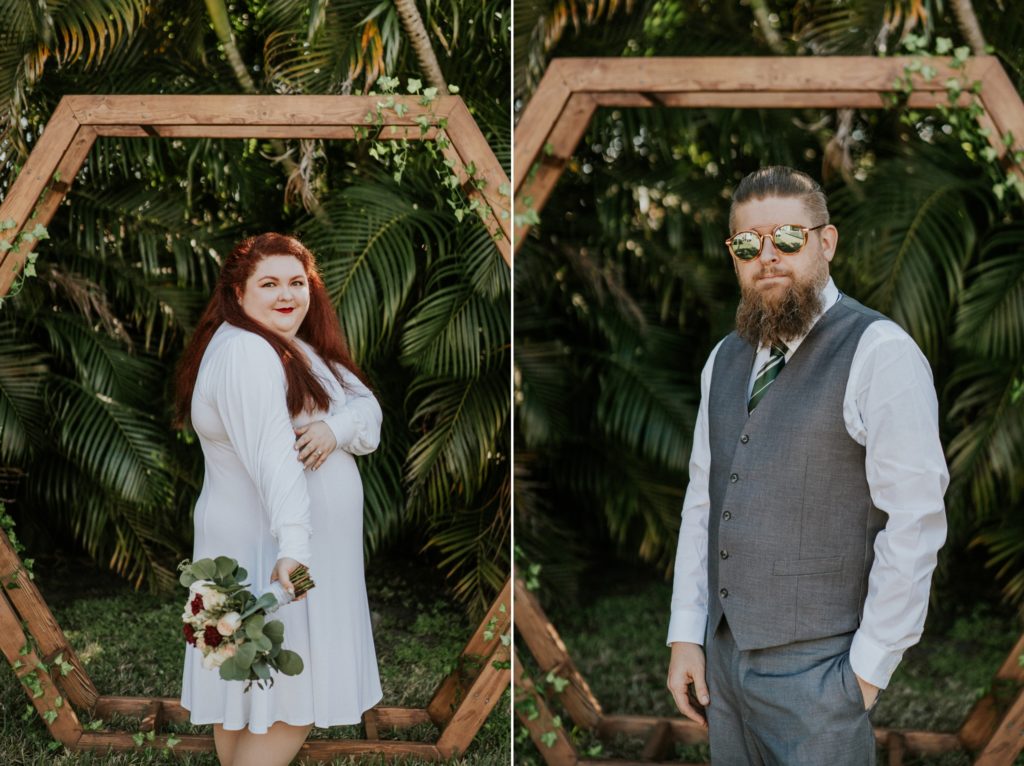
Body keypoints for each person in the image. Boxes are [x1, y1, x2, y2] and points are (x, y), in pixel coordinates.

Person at [665, 166, 948, 765]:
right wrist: (687, 635)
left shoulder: (881, 352)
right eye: (748, 244)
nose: (767, 256)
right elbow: (703, 501)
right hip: (724, 663)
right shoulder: (723, 358)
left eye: (787, 238)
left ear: (826, 241)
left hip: (822, 673)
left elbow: (916, 521)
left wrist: (866, 673)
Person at [175, 233, 383, 766]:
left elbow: (369, 415)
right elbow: (273, 459)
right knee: (295, 687)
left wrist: (335, 428)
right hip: (281, 555)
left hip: (291, 547)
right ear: (237, 293)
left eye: (297, 282)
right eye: (269, 283)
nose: (287, 294)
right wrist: (296, 551)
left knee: (241, 686)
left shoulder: (294, 348)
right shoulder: (247, 351)